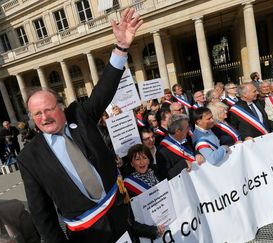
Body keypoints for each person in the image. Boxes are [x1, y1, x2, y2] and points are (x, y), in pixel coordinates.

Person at [17, 8, 143, 243]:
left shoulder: (80, 115)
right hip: (86, 234)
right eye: (37, 114)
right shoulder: (29, 157)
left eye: (48, 109)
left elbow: (104, 90)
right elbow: (40, 211)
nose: (44, 117)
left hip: (119, 214)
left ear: (61, 106)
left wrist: (121, 48)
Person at [122, 144, 165, 241]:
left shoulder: (156, 171)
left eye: (145, 158)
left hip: (166, 222)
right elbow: (130, 221)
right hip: (149, 233)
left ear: (149, 160)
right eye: (137, 159)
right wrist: (153, 231)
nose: (142, 162)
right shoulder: (127, 185)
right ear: (132, 163)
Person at [156, 114, 204, 180]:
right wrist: (183, 164)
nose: (189, 129)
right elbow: (166, 177)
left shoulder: (187, 137)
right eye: (187, 127)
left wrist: (197, 154)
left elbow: (193, 151)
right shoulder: (162, 151)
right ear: (178, 131)